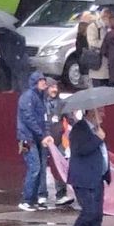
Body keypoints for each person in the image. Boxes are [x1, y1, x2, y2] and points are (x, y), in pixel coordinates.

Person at [59, 107, 112, 226]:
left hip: (97, 177)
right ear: (90, 113)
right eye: (100, 111)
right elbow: (80, 150)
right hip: (83, 178)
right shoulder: (79, 129)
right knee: (89, 212)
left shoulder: (96, 129)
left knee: (97, 216)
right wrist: (98, 138)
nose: (103, 115)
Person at [17, 72, 54, 211]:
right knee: (34, 167)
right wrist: (42, 134)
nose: (44, 83)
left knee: (39, 168)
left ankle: (34, 199)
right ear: (35, 82)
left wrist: (46, 134)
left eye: (44, 80)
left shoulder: (40, 97)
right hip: (26, 139)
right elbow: (29, 119)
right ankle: (26, 200)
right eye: (41, 81)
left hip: (37, 139)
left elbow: (44, 119)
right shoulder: (28, 97)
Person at [38, 77, 75, 207]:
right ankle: (41, 195)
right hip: (43, 140)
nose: (54, 90)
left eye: (56, 87)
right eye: (51, 87)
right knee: (41, 166)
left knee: (60, 165)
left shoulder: (62, 103)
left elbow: (71, 119)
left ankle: (61, 194)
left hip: (58, 140)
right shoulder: (40, 103)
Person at [86, 9, 113, 87]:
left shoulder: (109, 28)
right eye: (110, 18)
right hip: (97, 63)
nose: (111, 21)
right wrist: (106, 43)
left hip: (108, 65)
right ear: (105, 17)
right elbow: (92, 43)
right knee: (98, 88)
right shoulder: (93, 27)